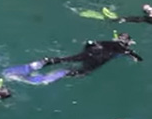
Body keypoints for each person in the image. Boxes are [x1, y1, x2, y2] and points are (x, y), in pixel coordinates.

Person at [11, 33, 143, 84]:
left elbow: (90, 42)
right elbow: (137, 57)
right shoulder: (124, 49)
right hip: (98, 58)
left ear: (117, 39)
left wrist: (85, 51)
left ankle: (46, 61)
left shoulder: (107, 41)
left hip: (90, 51)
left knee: (67, 59)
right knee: (83, 72)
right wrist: (136, 58)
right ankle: (62, 73)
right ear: (128, 42)